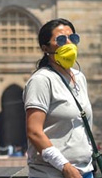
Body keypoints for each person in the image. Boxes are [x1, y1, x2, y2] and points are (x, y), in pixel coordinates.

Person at [24, 18, 94, 178]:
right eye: (61, 40)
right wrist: (65, 167)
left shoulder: (79, 77)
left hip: (85, 171)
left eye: (73, 38)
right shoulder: (41, 80)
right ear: (45, 48)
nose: (69, 43)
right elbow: (34, 132)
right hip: (53, 173)